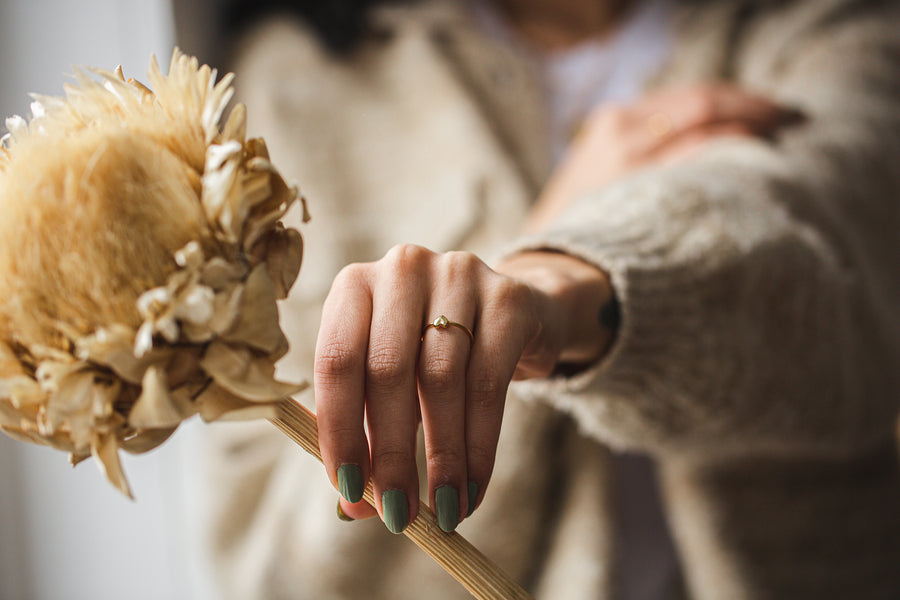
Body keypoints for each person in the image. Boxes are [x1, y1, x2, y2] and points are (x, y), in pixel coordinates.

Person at [175, 0, 900, 598]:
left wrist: (558, 278)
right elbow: (279, 578)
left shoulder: (824, 28)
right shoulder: (293, 82)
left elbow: (823, 263)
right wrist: (532, 254)